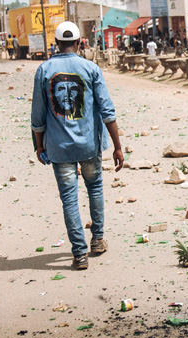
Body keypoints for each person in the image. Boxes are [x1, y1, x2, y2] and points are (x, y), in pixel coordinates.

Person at [31, 21, 123, 271]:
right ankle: (97, 239)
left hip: (60, 149)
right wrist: (117, 146)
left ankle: (79, 254)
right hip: (89, 146)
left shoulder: (44, 70)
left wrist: (39, 146)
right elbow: (107, 110)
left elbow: (38, 116)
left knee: (69, 199)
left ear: (56, 44)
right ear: (81, 42)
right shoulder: (91, 68)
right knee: (95, 189)